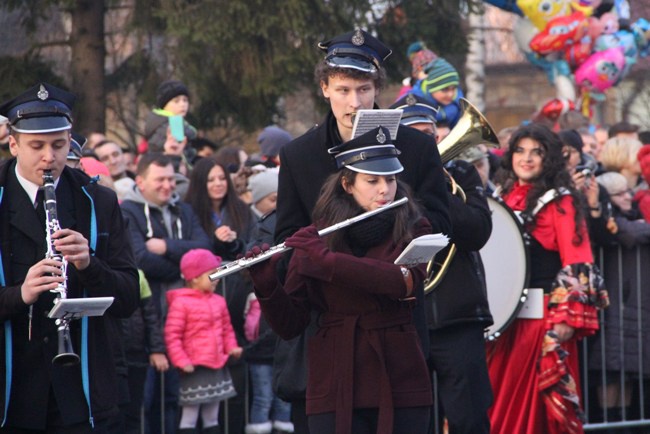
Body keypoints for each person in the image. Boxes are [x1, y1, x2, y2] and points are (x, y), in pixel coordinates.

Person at [274, 28, 450, 434]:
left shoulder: (416, 148)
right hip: (333, 333)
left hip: (396, 328)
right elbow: (288, 235)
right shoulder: (299, 155)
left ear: (377, 89)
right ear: (324, 88)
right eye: (343, 90)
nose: (354, 103)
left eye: (365, 89)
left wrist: (385, 221)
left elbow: (441, 224)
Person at [250, 126, 433, 434]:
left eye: (390, 179)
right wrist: (267, 285)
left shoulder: (416, 228)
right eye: (372, 181)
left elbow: (401, 281)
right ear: (348, 184)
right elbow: (291, 325)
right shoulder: (315, 238)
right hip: (333, 381)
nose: (384, 190)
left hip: (399, 378)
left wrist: (328, 262)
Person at [0, 82, 140, 432]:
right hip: (11, 391)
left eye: (59, 145)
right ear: (13, 144)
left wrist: (89, 264)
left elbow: (128, 298)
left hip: (82, 391)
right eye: (37, 146)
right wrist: (20, 294)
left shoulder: (99, 201)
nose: (50, 157)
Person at [487, 123, 608, 434]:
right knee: (495, 404)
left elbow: (577, 259)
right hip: (502, 323)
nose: (526, 159)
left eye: (536, 153)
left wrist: (564, 320)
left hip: (541, 323)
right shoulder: (500, 195)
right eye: (520, 151)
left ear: (549, 158)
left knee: (538, 410)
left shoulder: (561, 200)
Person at [120, 152, 211, 434]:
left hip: (184, 328)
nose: (167, 185)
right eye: (159, 179)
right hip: (148, 325)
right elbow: (140, 260)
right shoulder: (128, 212)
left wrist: (167, 247)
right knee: (145, 404)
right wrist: (188, 269)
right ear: (141, 182)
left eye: (171, 179)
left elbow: (204, 248)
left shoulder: (184, 210)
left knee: (175, 401)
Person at [184, 157, 256, 434]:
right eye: (211, 179)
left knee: (235, 369)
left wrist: (235, 243)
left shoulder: (242, 211)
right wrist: (214, 242)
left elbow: (253, 245)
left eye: (221, 178)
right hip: (200, 304)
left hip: (236, 298)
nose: (217, 184)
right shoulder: (190, 211)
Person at [588, 171, 650, 426]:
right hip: (612, 309)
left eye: (628, 190)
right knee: (609, 377)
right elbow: (631, 234)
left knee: (627, 378)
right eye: (621, 193)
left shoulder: (632, 216)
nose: (629, 196)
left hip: (631, 310)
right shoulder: (606, 220)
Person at [165, 249, 242, 434]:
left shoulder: (219, 301)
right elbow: (172, 335)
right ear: (194, 278)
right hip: (194, 368)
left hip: (217, 365)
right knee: (190, 416)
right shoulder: (181, 303)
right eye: (212, 274)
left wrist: (231, 347)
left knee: (212, 416)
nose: (217, 278)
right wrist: (181, 361)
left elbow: (226, 329)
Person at [412, 57, 464, 128]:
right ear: (432, 88)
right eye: (445, 89)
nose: (451, 94)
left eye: (453, 88)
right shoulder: (412, 103)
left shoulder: (457, 103)